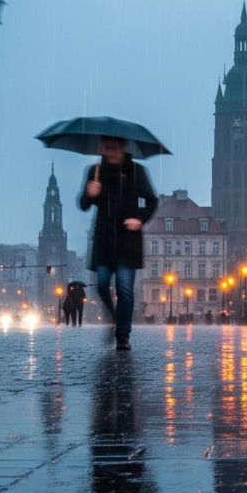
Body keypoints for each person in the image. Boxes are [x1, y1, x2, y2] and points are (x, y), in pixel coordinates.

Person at [78, 136, 157, 350]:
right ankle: (114, 318)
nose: (111, 152)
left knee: (124, 289)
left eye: (115, 147)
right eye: (107, 147)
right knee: (102, 285)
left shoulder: (135, 171)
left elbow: (152, 200)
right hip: (104, 239)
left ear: (123, 148)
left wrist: (139, 219)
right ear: (103, 148)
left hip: (127, 240)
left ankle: (123, 335)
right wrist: (89, 193)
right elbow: (83, 204)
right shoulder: (95, 171)